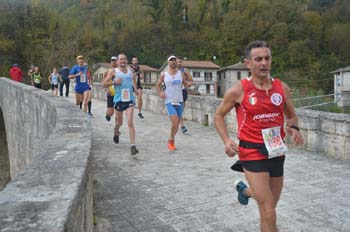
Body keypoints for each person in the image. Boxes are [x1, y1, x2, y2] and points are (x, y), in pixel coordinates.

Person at [214, 40, 304, 232]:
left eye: (267, 58)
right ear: (248, 63)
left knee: (270, 207)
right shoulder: (239, 90)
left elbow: (291, 115)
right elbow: (218, 115)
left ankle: (245, 191)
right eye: (258, 59)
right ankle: (248, 191)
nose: (264, 63)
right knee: (268, 210)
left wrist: (294, 127)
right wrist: (227, 141)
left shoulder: (281, 87)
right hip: (251, 152)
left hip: (276, 151)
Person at [103, 53, 139, 155]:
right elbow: (104, 83)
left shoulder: (130, 71)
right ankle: (116, 131)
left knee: (130, 122)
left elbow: (132, 80)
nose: (123, 61)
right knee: (119, 123)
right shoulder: (113, 71)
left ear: (126, 61)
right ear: (118, 61)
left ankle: (133, 146)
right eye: (121, 59)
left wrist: (135, 89)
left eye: (124, 59)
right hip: (119, 100)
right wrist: (114, 83)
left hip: (129, 100)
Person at [156, 55, 193, 151]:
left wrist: (189, 84)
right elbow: (158, 85)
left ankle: (171, 139)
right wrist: (160, 93)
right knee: (175, 122)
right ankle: (171, 141)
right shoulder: (164, 74)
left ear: (176, 62)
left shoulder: (180, 74)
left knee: (176, 124)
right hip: (169, 101)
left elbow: (185, 83)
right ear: (168, 63)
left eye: (174, 60)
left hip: (179, 100)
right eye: (171, 60)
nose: (173, 62)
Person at [176, 56, 193, 134]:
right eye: (177, 61)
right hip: (175, 92)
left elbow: (191, 81)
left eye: (180, 62)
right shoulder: (172, 71)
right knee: (178, 110)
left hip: (183, 91)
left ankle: (179, 124)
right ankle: (182, 126)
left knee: (181, 110)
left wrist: (187, 84)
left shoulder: (184, 70)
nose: (179, 63)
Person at [103, 56, 118, 122]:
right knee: (111, 112)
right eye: (112, 61)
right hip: (111, 93)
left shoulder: (120, 71)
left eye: (115, 60)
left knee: (118, 111)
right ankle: (107, 114)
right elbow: (103, 83)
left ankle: (117, 127)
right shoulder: (107, 72)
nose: (114, 62)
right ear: (110, 62)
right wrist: (106, 89)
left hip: (118, 93)